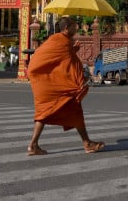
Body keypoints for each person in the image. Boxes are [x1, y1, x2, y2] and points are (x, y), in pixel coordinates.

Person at [26, 16, 105, 156]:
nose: (77, 28)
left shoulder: (57, 40)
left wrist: (73, 51)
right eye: (75, 26)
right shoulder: (62, 41)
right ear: (66, 28)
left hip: (46, 85)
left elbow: (61, 61)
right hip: (51, 85)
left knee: (44, 114)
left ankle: (33, 145)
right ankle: (87, 143)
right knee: (73, 111)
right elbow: (66, 63)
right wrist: (79, 79)